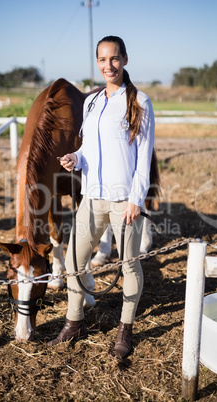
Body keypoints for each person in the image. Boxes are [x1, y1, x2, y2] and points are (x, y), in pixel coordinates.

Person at [47, 35, 155, 359]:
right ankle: (74, 320)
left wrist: (136, 199)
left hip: (125, 200)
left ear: (124, 59)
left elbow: (144, 157)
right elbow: (88, 150)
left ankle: (125, 328)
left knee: (129, 265)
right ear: (97, 63)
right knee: (73, 261)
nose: (109, 65)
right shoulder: (91, 102)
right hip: (91, 197)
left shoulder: (139, 102)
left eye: (114, 58)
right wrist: (76, 159)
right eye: (102, 60)